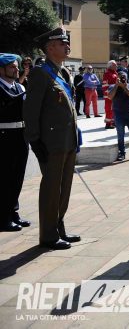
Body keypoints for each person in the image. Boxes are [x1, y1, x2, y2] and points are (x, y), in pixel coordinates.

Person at [23, 28, 80, 250]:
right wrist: (35, 141)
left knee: (64, 187)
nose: (67, 46)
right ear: (50, 48)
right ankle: (48, 235)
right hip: (51, 142)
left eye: (67, 43)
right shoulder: (40, 73)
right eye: (62, 43)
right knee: (51, 188)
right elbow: (31, 111)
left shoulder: (62, 72)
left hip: (68, 140)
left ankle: (58, 226)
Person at [0, 54, 31, 231]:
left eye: (16, 66)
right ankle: (3, 217)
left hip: (21, 135)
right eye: (12, 66)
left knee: (17, 176)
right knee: (4, 177)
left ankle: (13, 212)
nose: (16, 69)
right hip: (4, 136)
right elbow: (11, 101)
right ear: (1, 70)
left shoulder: (19, 86)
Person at [108, 71, 129, 161]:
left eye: (124, 77)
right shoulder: (112, 86)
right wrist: (116, 85)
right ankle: (122, 153)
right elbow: (110, 97)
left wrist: (125, 87)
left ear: (127, 78)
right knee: (120, 135)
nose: (123, 79)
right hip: (118, 114)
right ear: (117, 78)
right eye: (121, 78)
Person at [102, 60, 118, 129]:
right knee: (109, 109)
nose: (116, 66)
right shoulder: (107, 73)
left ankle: (113, 122)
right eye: (114, 65)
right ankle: (108, 124)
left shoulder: (115, 73)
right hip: (109, 94)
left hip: (114, 94)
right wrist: (107, 94)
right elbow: (105, 85)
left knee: (114, 109)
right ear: (110, 66)